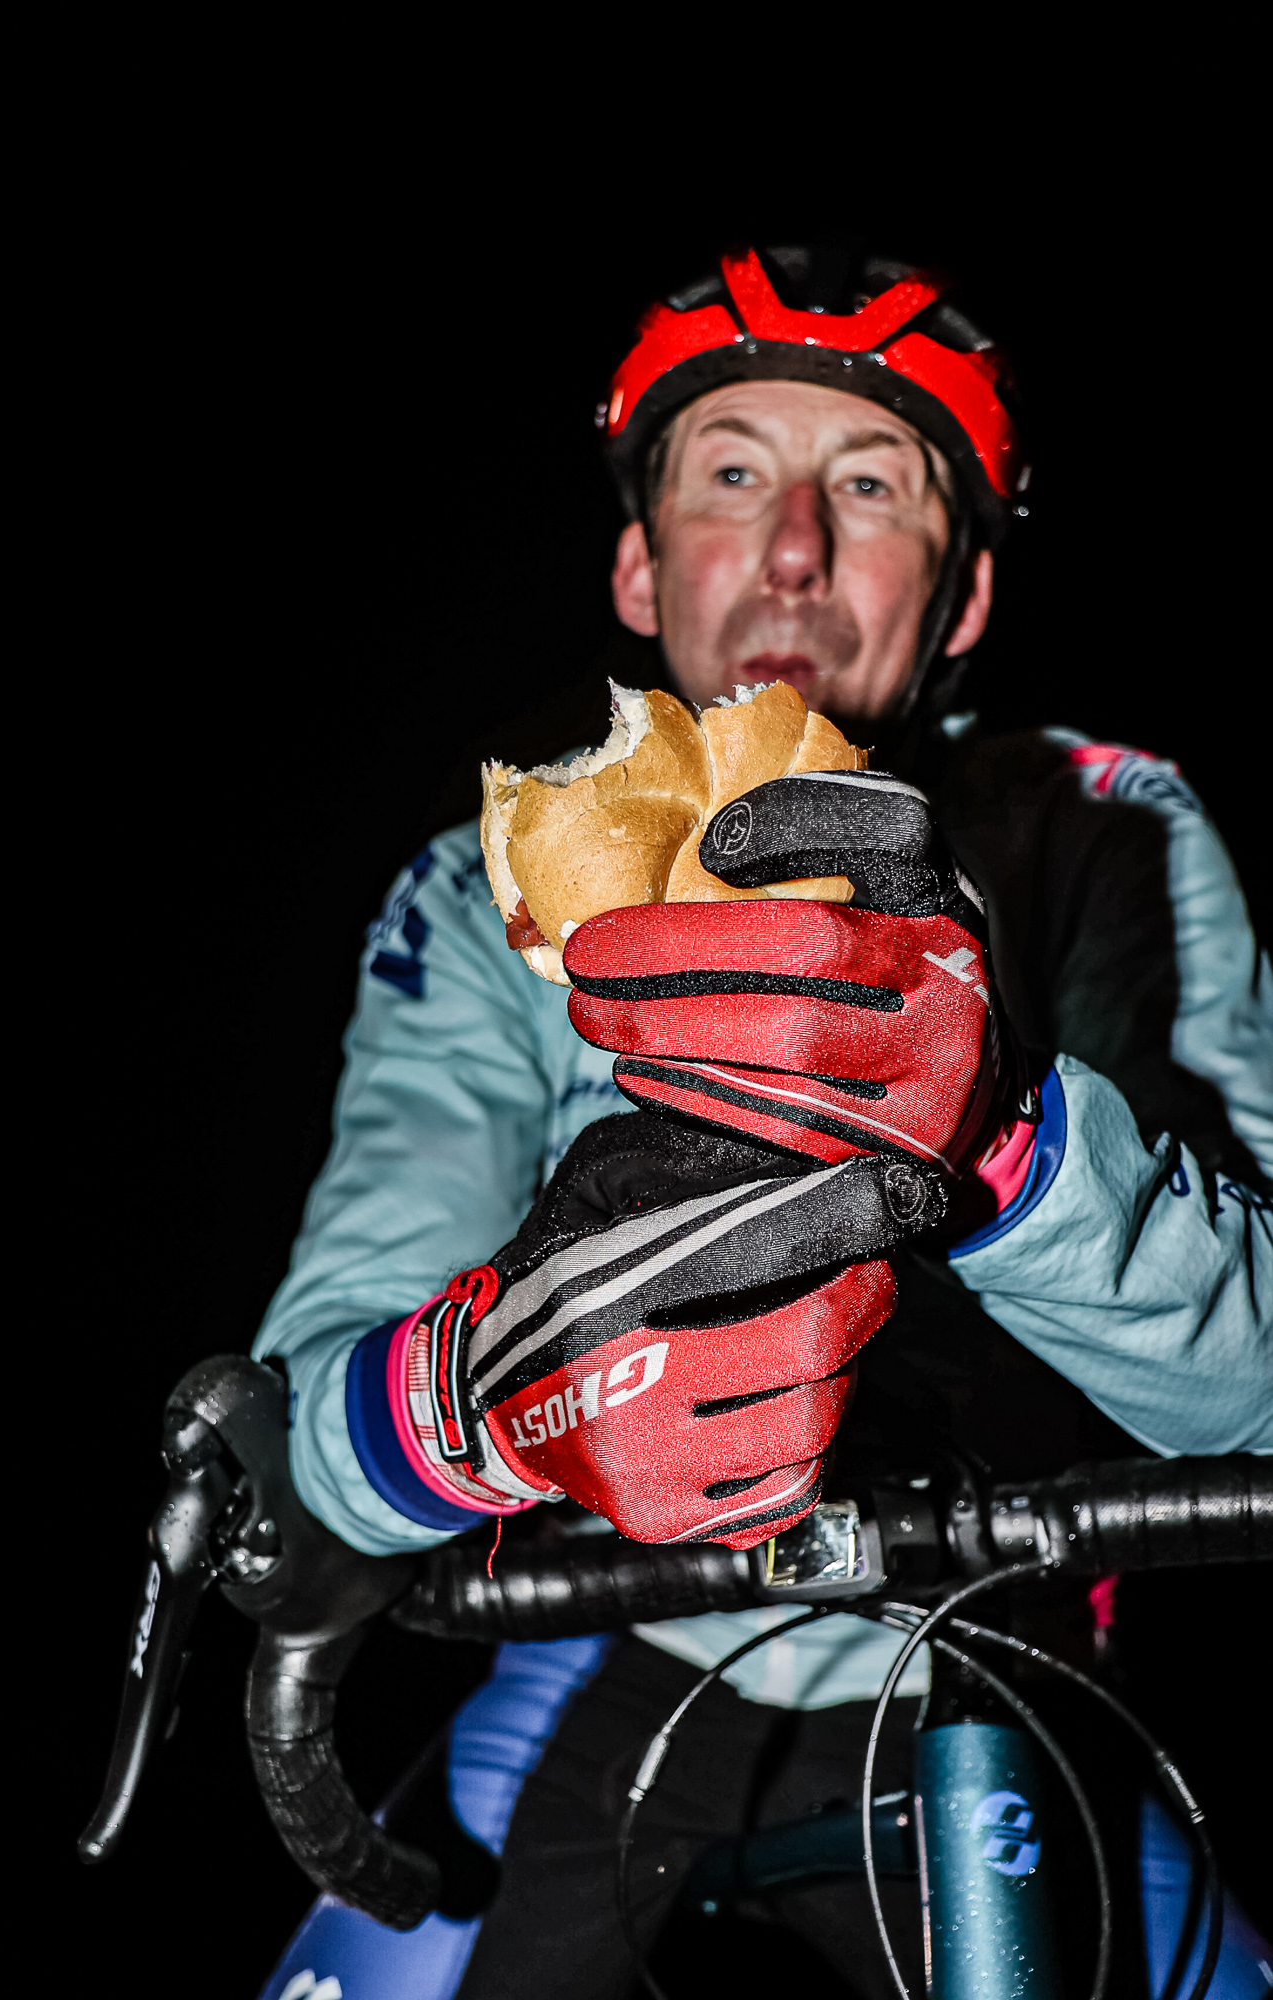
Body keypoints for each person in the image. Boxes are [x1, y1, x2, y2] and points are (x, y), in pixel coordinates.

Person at [255, 245, 1272, 2000]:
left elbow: (1259, 1375)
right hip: (606, 1649)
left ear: (954, 595)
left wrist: (1005, 1143)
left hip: (991, 1649)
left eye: (869, 484)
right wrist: (471, 1404)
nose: (794, 544)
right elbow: (320, 1400)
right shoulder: (481, 883)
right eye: (733, 470)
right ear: (642, 565)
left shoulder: (1110, 829)